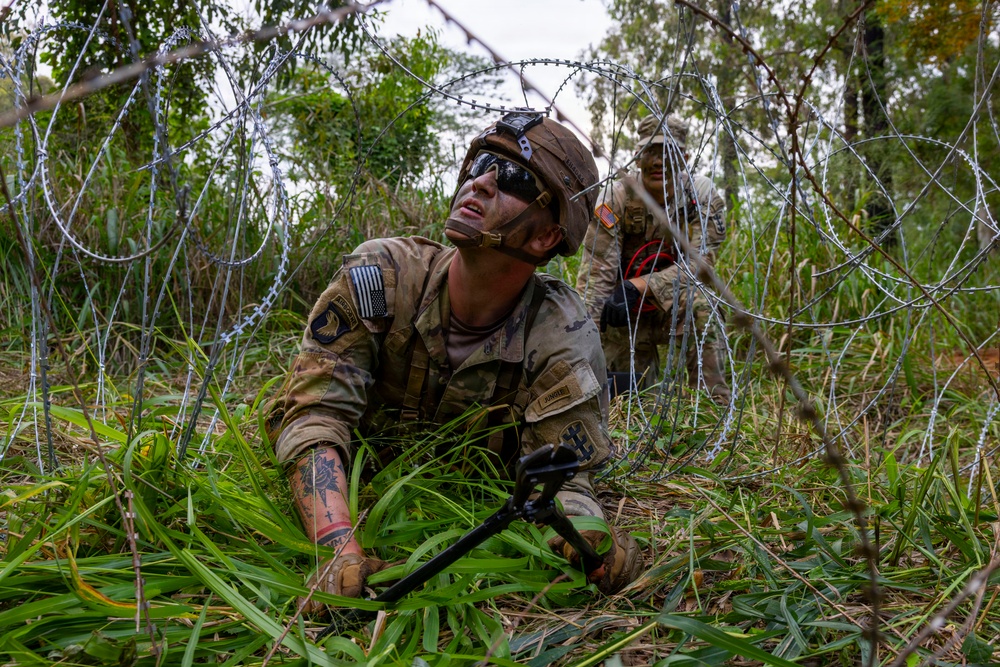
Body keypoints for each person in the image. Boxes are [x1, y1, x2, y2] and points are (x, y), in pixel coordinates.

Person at [266, 112, 643, 610]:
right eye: (482, 163)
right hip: (366, 469)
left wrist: (586, 533)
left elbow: (566, 474)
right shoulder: (384, 277)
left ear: (545, 238)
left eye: (512, 178)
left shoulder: (562, 334)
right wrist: (337, 548)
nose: (480, 181)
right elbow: (314, 414)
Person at [576, 114, 731, 404]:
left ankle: (712, 408)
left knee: (705, 305)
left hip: (673, 307)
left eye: (669, 153)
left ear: (684, 157)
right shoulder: (615, 198)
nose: (659, 162)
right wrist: (585, 347)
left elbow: (701, 265)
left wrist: (639, 285)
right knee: (634, 401)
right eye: (651, 152)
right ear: (638, 157)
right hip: (624, 314)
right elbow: (597, 280)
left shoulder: (700, 195)